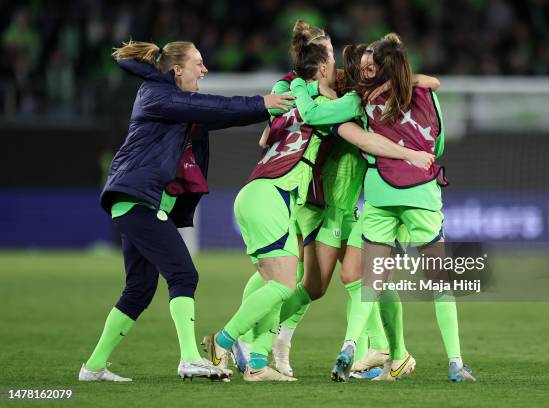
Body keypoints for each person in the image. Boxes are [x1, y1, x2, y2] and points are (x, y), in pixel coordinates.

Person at [203, 21, 432, 382]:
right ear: (323, 64)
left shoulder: (348, 95)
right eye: (327, 51)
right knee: (301, 280)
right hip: (310, 203)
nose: (360, 70)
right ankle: (256, 344)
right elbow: (280, 130)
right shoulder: (330, 99)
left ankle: (381, 351)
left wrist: (404, 83)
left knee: (343, 278)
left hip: (337, 206)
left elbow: (420, 82)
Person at [79, 40, 294, 382]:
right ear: (177, 69)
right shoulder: (156, 94)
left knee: (138, 290)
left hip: (142, 201)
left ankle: (92, 368)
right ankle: (190, 358)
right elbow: (214, 107)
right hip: (138, 200)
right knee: (184, 275)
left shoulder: (175, 102)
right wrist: (261, 103)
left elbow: (219, 114)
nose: (205, 70)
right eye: (199, 63)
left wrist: (262, 111)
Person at [339, 33, 475, 382]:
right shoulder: (427, 94)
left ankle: (351, 344)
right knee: (440, 283)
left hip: (380, 193)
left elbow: (348, 130)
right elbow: (438, 143)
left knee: (373, 282)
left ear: (378, 68)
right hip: (421, 194)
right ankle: (456, 363)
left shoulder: (362, 101)